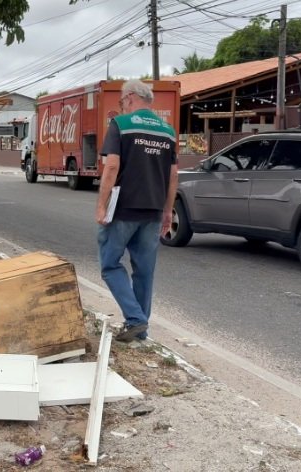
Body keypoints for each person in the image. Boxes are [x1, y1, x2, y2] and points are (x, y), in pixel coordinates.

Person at [95, 79, 179, 343]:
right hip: (153, 211)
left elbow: (111, 167)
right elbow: (173, 175)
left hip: (123, 208)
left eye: (122, 101)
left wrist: (101, 205)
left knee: (110, 264)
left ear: (130, 97)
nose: (122, 105)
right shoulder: (168, 131)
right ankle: (140, 331)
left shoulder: (121, 124)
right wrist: (168, 211)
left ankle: (135, 319)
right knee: (144, 271)